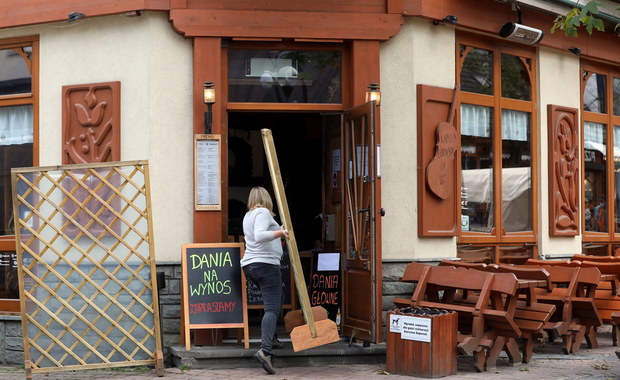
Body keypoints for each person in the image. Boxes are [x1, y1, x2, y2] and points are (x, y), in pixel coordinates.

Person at [240, 186, 288, 375]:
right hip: (266, 265)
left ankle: (273, 337)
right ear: (266, 198)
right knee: (272, 308)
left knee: (278, 298)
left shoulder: (248, 215)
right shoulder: (263, 212)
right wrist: (281, 233)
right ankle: (265, 351)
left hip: (250, 266)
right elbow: (260, 236)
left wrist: (279, 230)